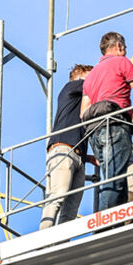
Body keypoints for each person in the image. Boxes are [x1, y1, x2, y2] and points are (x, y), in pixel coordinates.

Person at [81, 34, 133, 211]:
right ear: (119, 47)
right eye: (125, 48)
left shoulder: (91, 75)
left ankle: (114, 219)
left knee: (114, 177)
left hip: (94, 130)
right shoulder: (123, 62)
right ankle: (105, 224)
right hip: (114, 124)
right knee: (115, 179)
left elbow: (83, 112)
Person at [40, 63, 94, 230]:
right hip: (63, 149)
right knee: (58, 195)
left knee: (71, 209)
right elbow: (95, 83)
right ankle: (43, 237)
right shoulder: (71, 88)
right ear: (78, 76)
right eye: (89, 75)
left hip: (77, 155)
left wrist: (89, 158)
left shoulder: (81, 99)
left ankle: (60, 242)